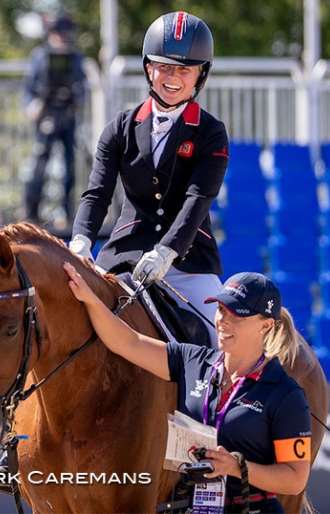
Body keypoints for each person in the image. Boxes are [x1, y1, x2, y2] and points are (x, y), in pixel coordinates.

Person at [63, 263, 312, 514]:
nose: (223, 321)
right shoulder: (193, 361)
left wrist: (236, 467)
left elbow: (294, 480)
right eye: (221, 310)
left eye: (237, 314)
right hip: (194, 507)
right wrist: (89, 298)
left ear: (266, 325)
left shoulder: (285, 393)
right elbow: (129, 342)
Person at [68, 11, 229, 345]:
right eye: (164, 67)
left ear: (200, 74)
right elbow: (97, 194)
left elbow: (198, 199)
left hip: (187, 262)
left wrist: (167, 251)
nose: (173, 77)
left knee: (223, 339)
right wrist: (81, 241)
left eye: (184, 69)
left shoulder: (212, 133)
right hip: (122, 258)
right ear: (148, 68)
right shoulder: (120, 128)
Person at [23, 13, 87, 227]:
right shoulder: (39, 56)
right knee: (40, 162)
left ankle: (66, 213)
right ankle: (31, 212)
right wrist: (33, 105)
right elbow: (30, 87)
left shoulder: (75, 57)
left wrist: (78, 100)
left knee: (69, 165)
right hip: (45, 114)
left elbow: (81, 86)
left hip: (68, 115)